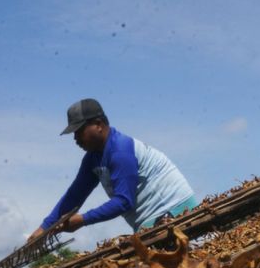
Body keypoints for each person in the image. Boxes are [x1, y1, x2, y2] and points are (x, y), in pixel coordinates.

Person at [29, 98, 196, 241]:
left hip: (173, 211)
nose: (75, 138)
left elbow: (124, 201)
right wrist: (44, 228)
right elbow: (75, 195)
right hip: (148, 219)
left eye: (79, 131)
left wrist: (83, 220)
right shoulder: (93, 158)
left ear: (98, 125)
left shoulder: (120, 151)